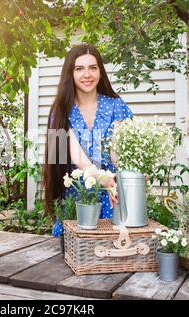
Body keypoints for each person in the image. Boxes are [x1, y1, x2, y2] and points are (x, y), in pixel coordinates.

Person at [43, 44, 133, 236]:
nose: (87, 74)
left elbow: (129, 152)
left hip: (113, 195)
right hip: (78, 198)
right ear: (70, 73)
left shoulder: (117, 106)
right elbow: (75, 154)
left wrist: (126, 182)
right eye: (79, 68)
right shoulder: (60, 111)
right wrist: (102, 178)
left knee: (114, 253)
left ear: (100, 72)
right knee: (76, 255)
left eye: (93, 67)